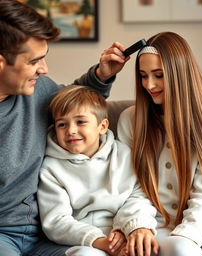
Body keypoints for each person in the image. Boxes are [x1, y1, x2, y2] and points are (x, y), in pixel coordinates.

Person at [0, 1, 127, 255]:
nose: (44, 69)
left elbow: (74, 106)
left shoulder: (37, 91)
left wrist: (101, 75)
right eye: (34, 61)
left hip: (50, 235)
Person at [117, 32, 202, 256]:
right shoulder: (130, 121)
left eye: (158, 75)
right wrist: (138, 224)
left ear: (179, 74)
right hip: (157, 225)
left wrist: (187, 234)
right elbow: (129, 187)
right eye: (143, 76)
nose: (149, 85)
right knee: (181, 249)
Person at [37, 85, 159, 256]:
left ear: (102, 126)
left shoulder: (124, 155)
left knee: (147, 248)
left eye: (80, 122)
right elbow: (56, 221)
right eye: (62, 124)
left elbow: (139, 195)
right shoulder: (50, 168)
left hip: (124, 230)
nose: (71, 131)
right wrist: (100, 241)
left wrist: (131, 227)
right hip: (84, 240)